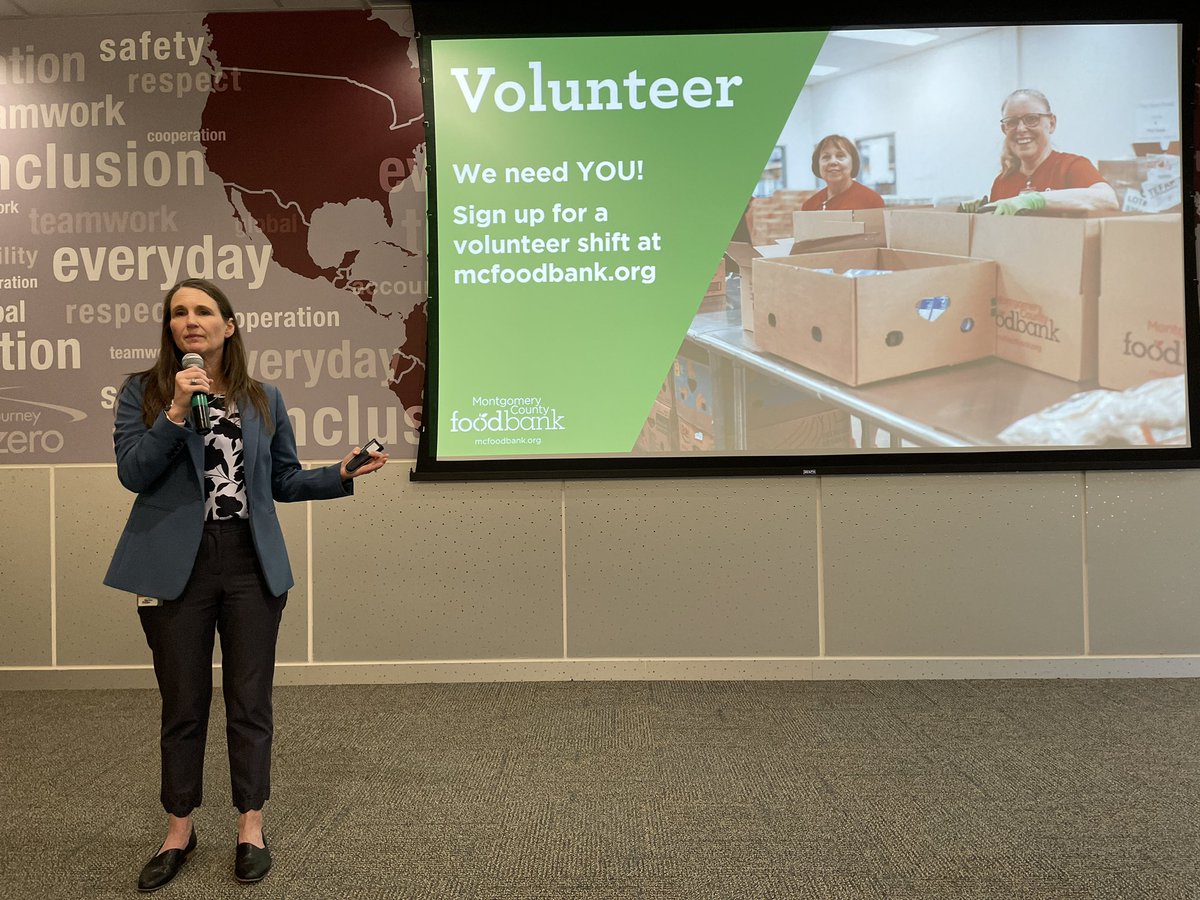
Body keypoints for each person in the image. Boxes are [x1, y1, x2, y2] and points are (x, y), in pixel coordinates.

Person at [104, 278, 388, 892]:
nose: (190, 320)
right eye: (179, 312)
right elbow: (134, 473)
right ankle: (178, 830)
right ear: (170, 328)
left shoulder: (263, 399)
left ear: (228, 326)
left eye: (203, 311)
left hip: (248, 561)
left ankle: (250, 826)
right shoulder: (144, 392)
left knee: (249, 700)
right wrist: (176, 412)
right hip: (175, 565)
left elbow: (281, 480)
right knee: (183, 703)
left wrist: (338, 474)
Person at [976, 88, 1119, 215]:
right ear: (1004, 129)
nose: (1020, 129)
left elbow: (1108, 200)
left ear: (1051, 123)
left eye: (1031, 119)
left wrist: (1036, 200)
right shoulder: (1003, 182)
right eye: (1011, 122)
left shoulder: (1071, 166)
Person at [800, 134, 886, 211]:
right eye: (826, 157)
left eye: (840, 156)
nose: (833, 162)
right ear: (817, 164)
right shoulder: (809, 206)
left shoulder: (871, 201)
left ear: (853, 162)